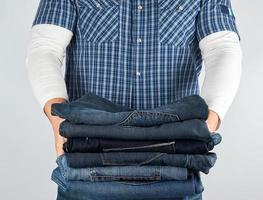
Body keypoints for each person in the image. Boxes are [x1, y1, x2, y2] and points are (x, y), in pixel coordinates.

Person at [25, 0, 242, 199]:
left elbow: (222, 47)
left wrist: (210, 120)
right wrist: (58, 121)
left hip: (174, 164)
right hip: (86, 160)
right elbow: (45, 47)